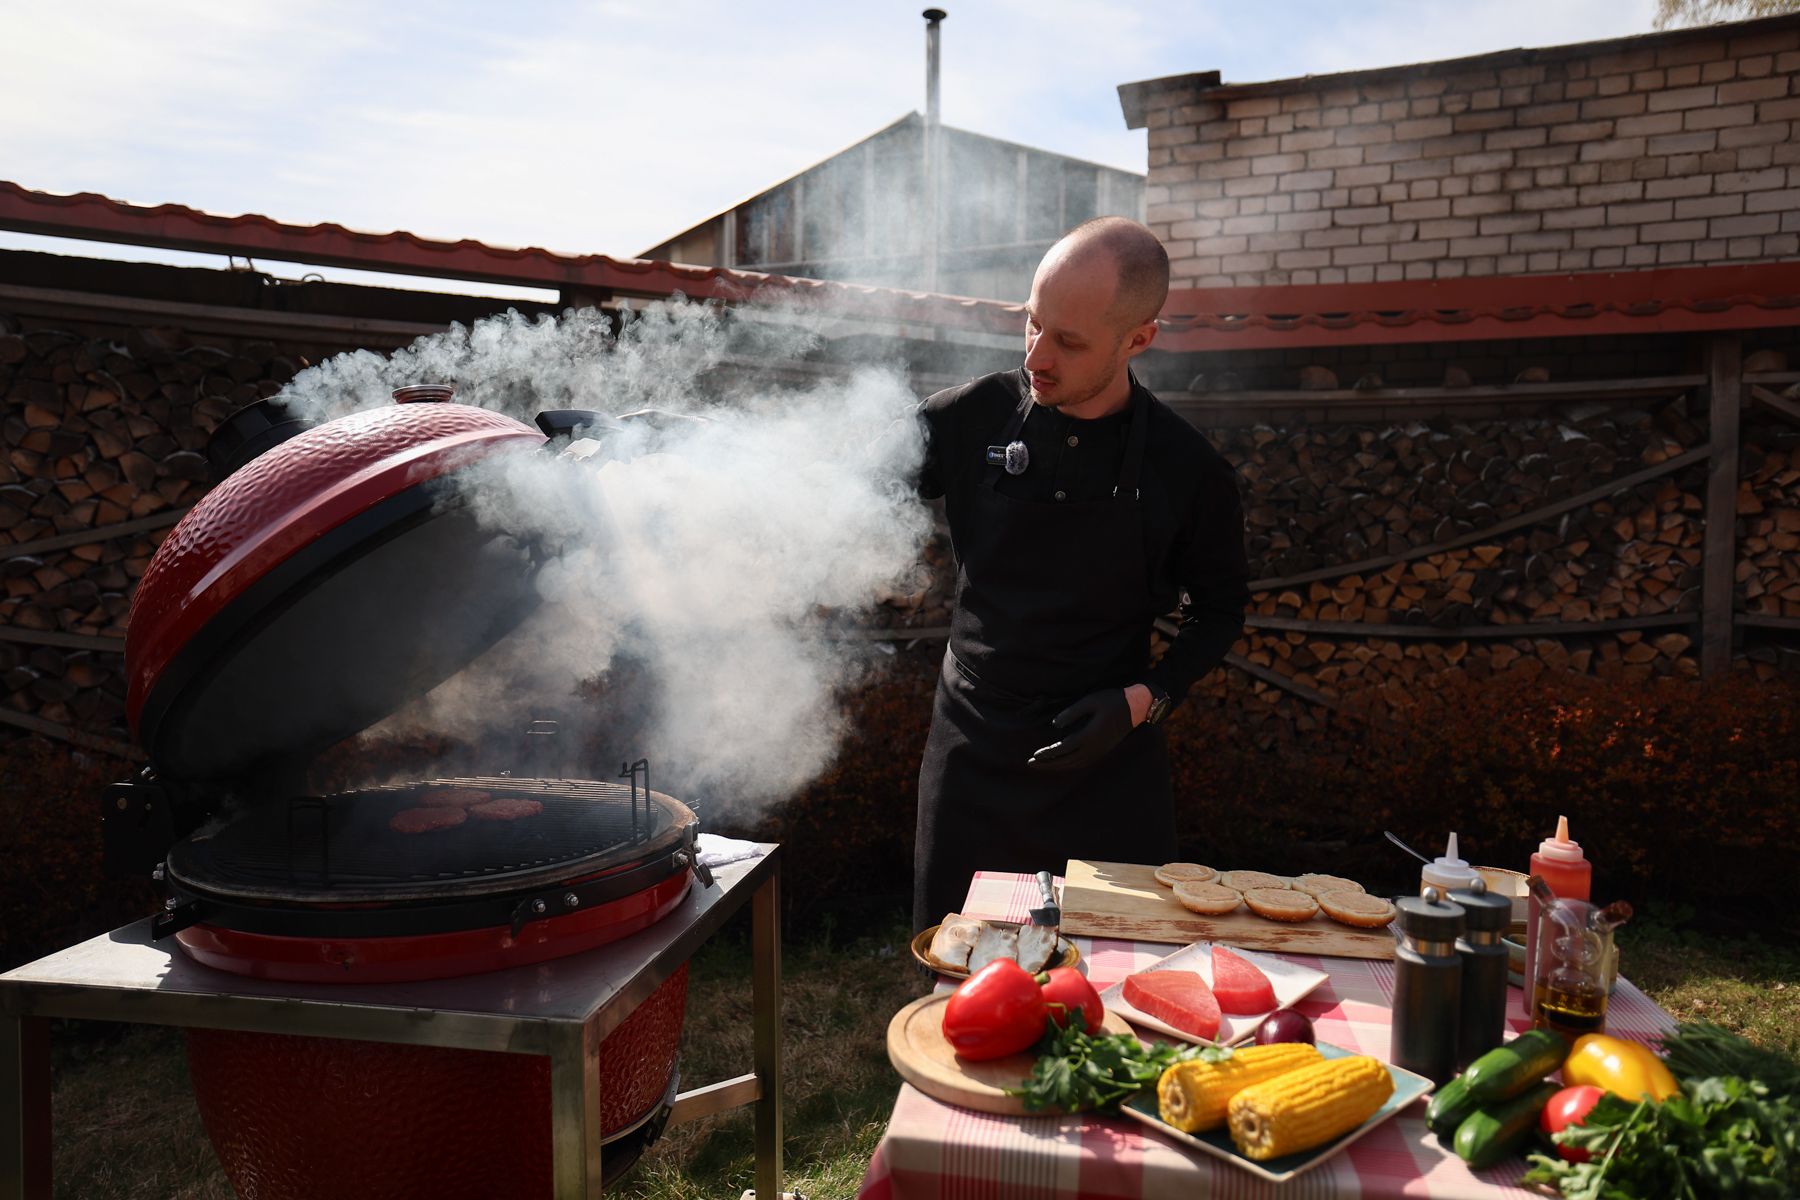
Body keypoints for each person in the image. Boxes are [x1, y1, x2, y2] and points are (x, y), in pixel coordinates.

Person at [911, 217, 1250, 934]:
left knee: (1113, 995)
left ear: (1139, 338)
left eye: (1068, 341)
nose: (1038, 356)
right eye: (1032, 324)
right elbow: (828, 470)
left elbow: (1219, 610)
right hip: (971, 752)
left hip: (1108, 768)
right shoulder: (969, 418)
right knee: (956, 984)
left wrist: (1144, 700)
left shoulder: (1188, 471)